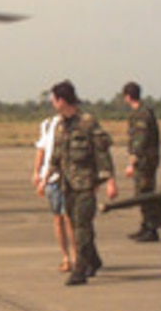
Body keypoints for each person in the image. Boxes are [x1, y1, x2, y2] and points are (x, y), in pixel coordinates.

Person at [47, 80, 118, 286]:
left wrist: (110, 181)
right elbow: (57, 154)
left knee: (81, 226)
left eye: (53, 99)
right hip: (67, 185)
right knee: (79, 224)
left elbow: (102, 153)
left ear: (62, 100)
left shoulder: (87, 123)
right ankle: (93, 260)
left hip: (86, 184)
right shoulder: (60, 125)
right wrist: (46, 177)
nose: (52, 103)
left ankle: (80, 269)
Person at [32, 113, 77, 272]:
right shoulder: (48, 124)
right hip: (50, 178)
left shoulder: (75, 123)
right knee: (58, 218)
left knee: (69, 218)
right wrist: (37, 172)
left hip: (68, 177)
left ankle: (76, 256)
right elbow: (41, 149)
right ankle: (65, 257)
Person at [123, 81, 161, 242]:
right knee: (143, 192)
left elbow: (140, 140)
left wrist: (132, 162)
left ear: (127, 96)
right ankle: (146, 225)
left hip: (145, 160)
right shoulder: (143, 112)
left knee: (145, 193)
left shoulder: (141, 114)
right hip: (147, 159)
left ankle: (151, 228)